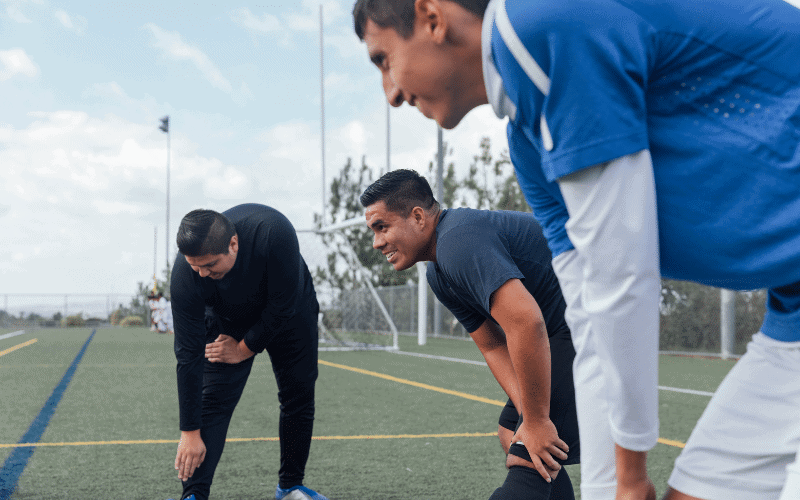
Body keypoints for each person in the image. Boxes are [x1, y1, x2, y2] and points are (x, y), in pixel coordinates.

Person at [351, 1, 800, 500]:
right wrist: (611, 484)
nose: (389, 94)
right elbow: (588, 310)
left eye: (383, 59)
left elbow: (621, 277)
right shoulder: (526, 141)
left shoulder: (544, 25)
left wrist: (631, 475)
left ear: (432, 17)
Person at [361, 169, 580, 499]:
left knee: (529, 448)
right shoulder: (438, 270)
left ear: (418, 217)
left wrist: (536, 420)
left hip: (588, 323)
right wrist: (526, 413)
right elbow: (492, 345)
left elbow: (525, 322)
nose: (377, 242)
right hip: (559, 329)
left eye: (382, 227)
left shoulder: (457, 242)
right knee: (513, 432)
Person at [168, 204, 328, 500]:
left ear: (233, 244)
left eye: (211, 265)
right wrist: (189, 433)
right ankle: (194, 495)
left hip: (290, 313)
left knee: (298, 394)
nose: (202, 274)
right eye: (195, 266)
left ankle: (290, 486)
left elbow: (282, 306)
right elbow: (188, 354)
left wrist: (244, 349)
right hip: (226, 319)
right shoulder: (185, 275)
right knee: (213, 400)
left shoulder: (274, 232)